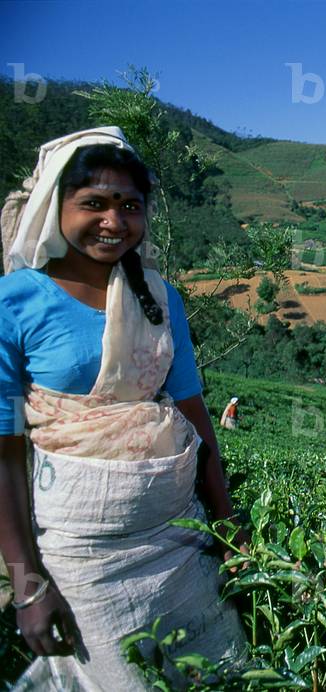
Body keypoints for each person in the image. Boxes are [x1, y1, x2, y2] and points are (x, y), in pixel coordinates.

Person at [0, 128, 246, 688]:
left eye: (129, 206)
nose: (114, 221)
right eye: (93, 204)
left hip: (179, 540)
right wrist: (27, 582)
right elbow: (5, 453)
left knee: (220, 673)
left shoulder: (158, 298)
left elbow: (192, 414)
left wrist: (228, 529)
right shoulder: (15, 302)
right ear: (55, 207)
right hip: (82, 555)